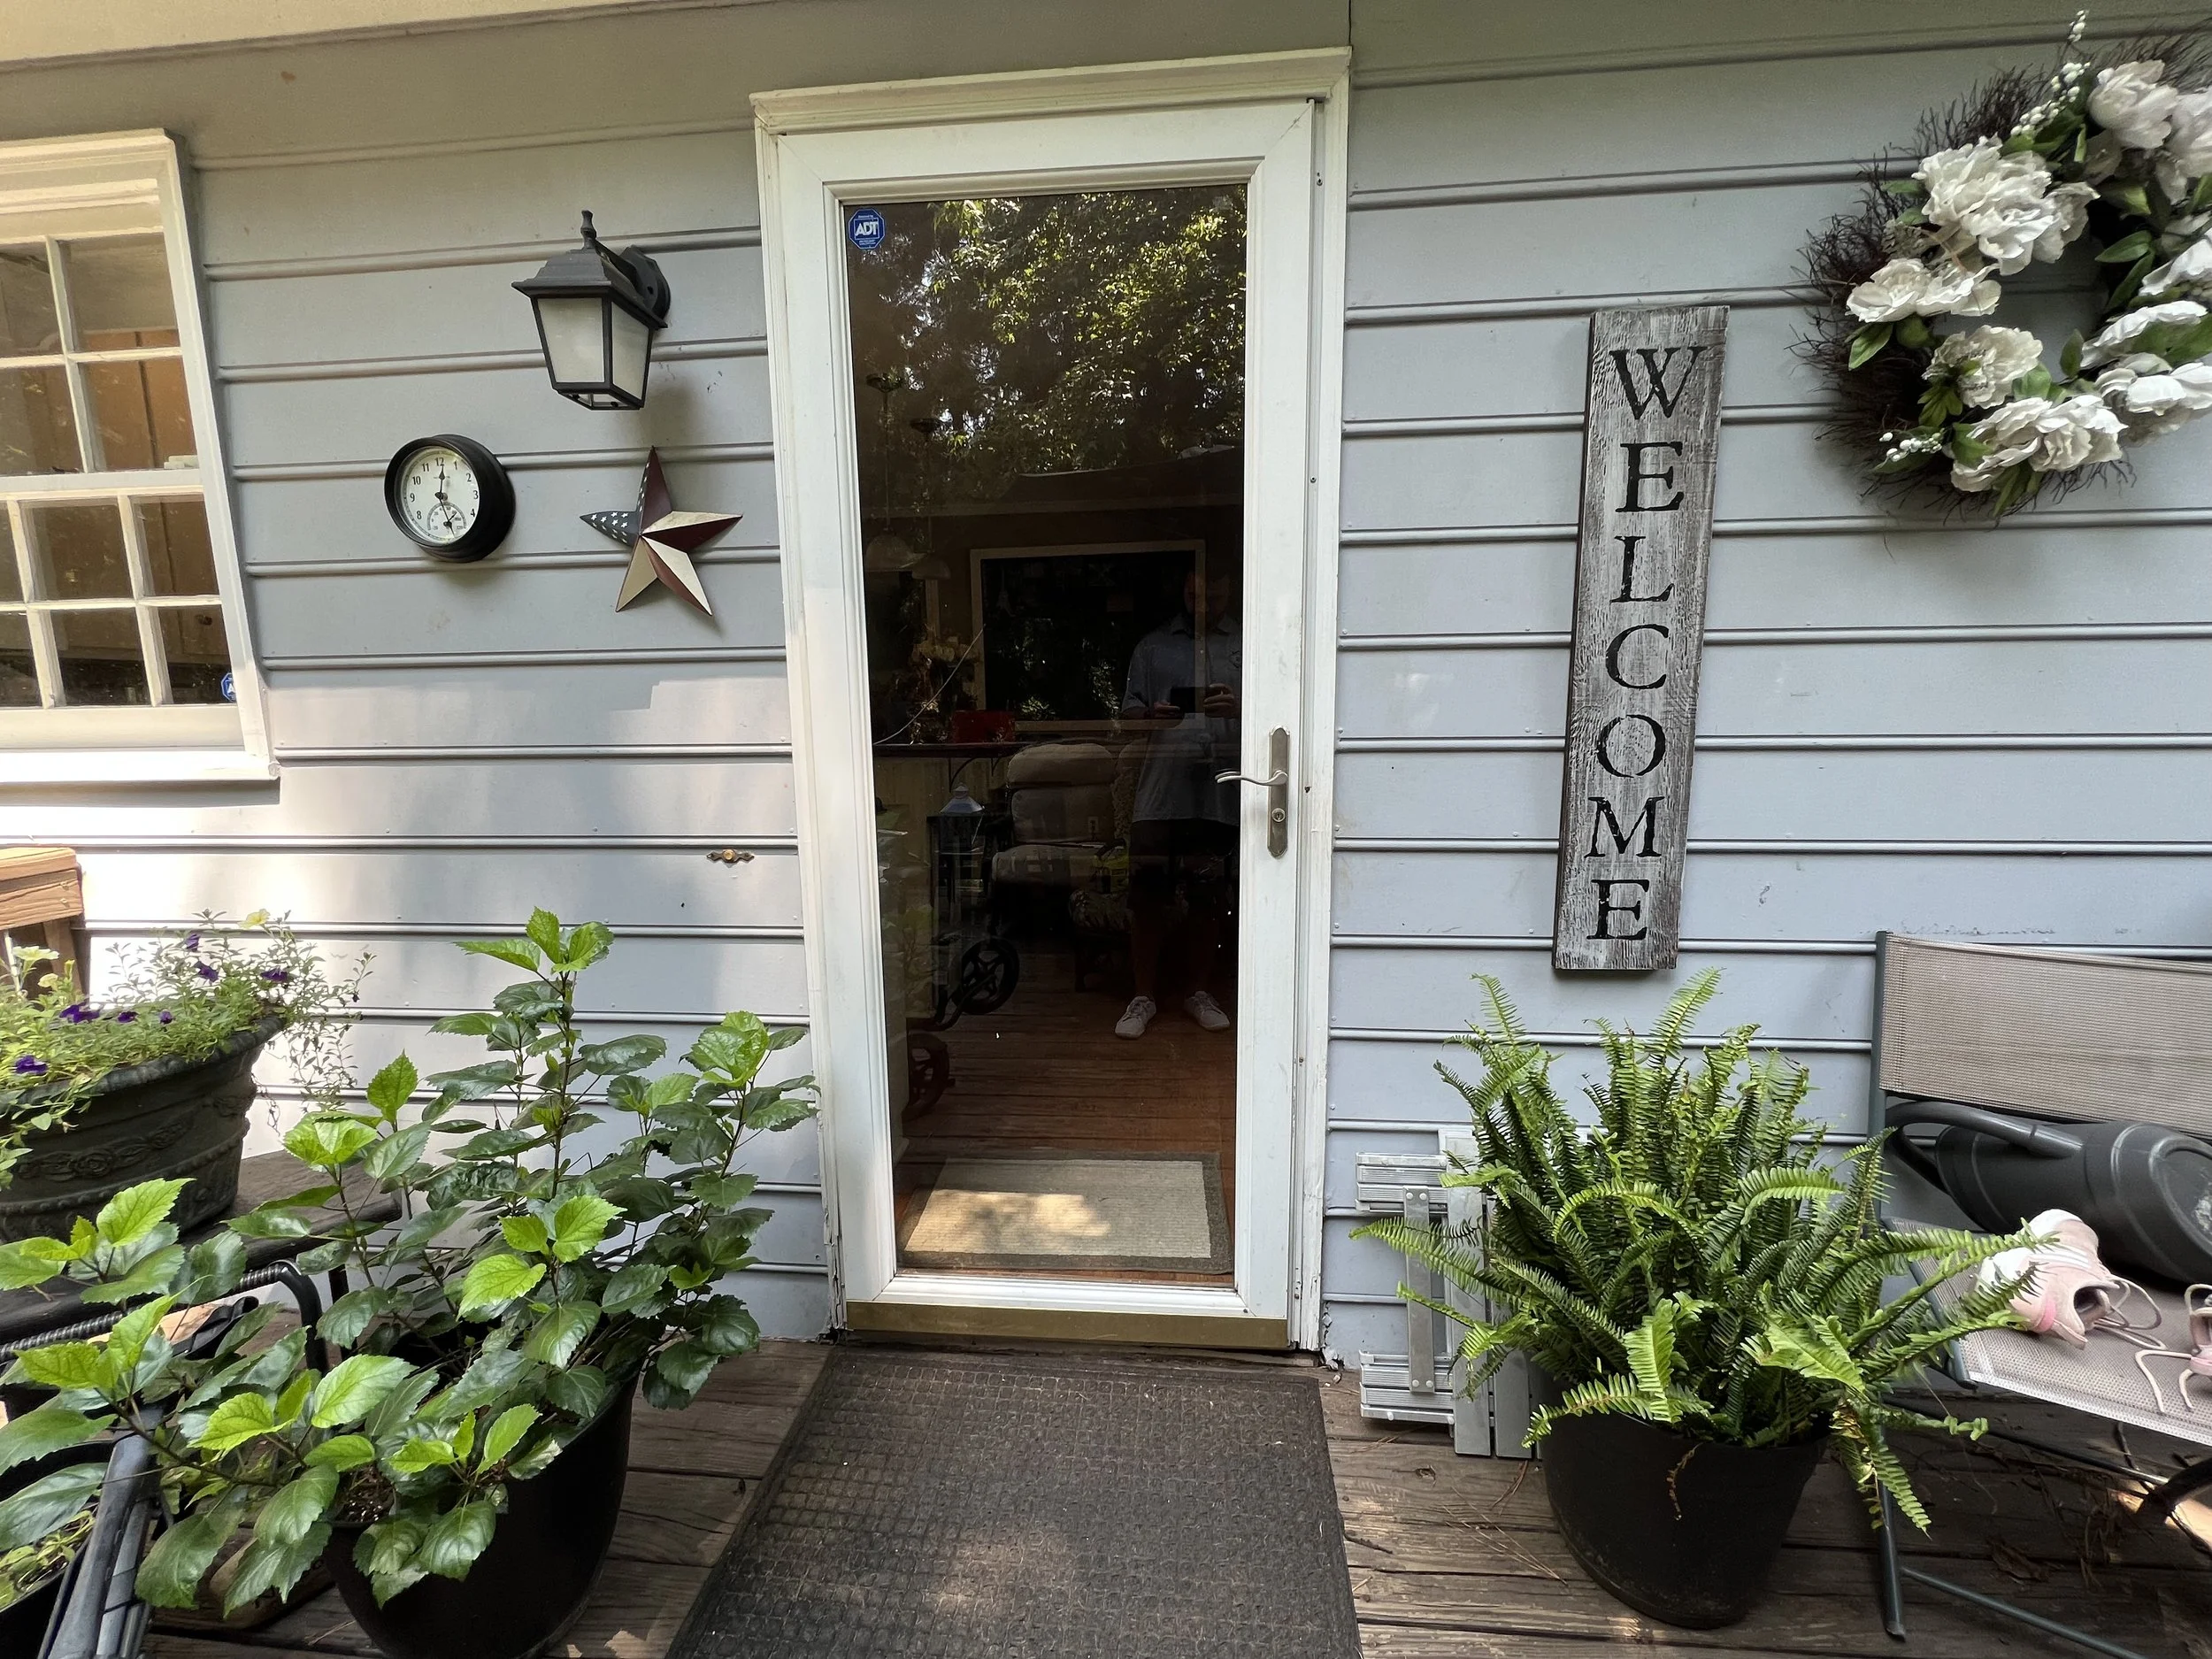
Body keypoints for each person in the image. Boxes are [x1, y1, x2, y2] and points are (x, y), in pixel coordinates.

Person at [1113, 564, 1240, 1039]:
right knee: (1146, 896)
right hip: (1160, 794)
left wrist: (1242, 710)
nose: (1201, 600)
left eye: (1211, 591)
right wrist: (1152, 716)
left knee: (1209, 898)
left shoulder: (1248, 644)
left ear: (1229, 587)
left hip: (1219, 794)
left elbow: (1278, 717)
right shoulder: (1152, 646)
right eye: (1192, 591)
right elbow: (1128, 720)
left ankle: (1198, 992)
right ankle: (1142, 996)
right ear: (1183, 587)